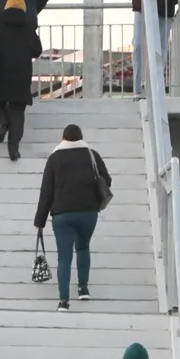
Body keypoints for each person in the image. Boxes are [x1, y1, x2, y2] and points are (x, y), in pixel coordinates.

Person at [34, 124, 112, 312]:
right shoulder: (92, 155)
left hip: (62, 215)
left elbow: (46, 192)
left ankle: (64, 301)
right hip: (88, 213)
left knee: (64, 257)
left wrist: (40, 221)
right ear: (81, 137)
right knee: (83, 247)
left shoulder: (54, 158)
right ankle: (83, 289)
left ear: (63, 138)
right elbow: (107, 180)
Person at [0, 0, 42, 161]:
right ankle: (13, 148)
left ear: (6, 6)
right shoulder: (28, 26)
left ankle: (3, 121)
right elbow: (37, 50)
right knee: (18, 109)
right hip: (21, 73)